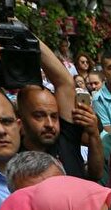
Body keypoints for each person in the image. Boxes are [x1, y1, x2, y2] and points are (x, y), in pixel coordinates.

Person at [16, 40, 103, 180]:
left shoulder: (66, 138)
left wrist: (26, 36)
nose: (50, 124)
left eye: (54, 116)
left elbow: (64, 81)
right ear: (20, 121)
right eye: (39, 116)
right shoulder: (11, 155)